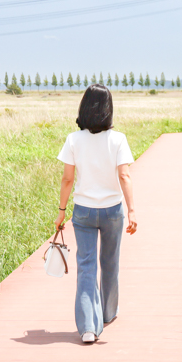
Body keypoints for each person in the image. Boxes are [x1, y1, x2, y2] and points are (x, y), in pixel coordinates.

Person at [56, 84, 138, 344]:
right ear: (108, 109)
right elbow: (124, 175)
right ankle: (107, 313)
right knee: (110, 263)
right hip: (113, 210)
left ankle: (88, 328)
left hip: (83, 212)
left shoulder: (73, 139)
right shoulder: (118, 139)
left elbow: (67, 180)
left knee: (86, 266)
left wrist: (61, 212)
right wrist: (132, 209)